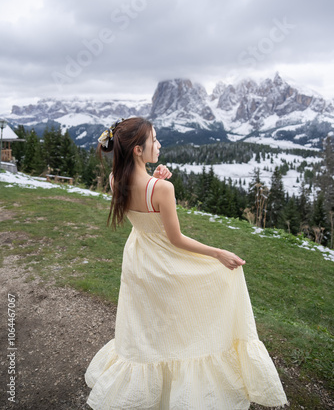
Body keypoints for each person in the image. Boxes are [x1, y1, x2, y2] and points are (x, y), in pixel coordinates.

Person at [85, 117, 288, 410]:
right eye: (154, 140)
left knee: (148, 324)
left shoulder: (115, 179)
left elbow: (142, 208)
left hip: (138, 260)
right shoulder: (162, 190)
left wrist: (154, 177)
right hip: (165, 263)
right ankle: (181, 384)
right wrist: (218, 253)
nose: (159, 144)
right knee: (186, 315)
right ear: (138, 150)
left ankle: (149, 387)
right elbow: (176, 239)